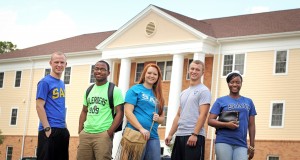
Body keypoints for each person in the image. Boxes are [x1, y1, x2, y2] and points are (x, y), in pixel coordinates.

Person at [77, 60, 124, 160]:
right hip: (86, 134)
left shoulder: (114, 90)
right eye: (97, 69)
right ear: (93, 71)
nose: (99, 71)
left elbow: (120, 113)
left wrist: (109, 133)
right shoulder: (89, 90)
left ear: (108, 73)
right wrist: (80, 131)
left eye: (103, 69)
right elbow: (84, 111)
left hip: (103, 134)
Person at [165, 60, 211, 160]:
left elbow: (203, 114)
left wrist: (194, 134)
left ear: (202, 73)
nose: (194, 71)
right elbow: (178, 115)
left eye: (198, 70)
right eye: (192, 69)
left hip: (194, 136)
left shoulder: (204, 91)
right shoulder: (183, 93)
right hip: (180, 135)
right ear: (188, 70)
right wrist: (170, 134)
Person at [207, 70, 257, 160]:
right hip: (223, 141)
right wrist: (226, 124)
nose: (235, 85)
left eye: (238, 82)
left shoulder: (248, 102)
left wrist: (252, 145)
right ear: (228, 84)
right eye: (232, 82)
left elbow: (251, 124)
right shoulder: (220, 101)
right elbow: (210, 121)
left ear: (241, 84)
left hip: (241, 143)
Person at [124, 63, 165, 160]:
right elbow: (128, 112)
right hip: (136, 134)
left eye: (155, 74)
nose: (152, 76)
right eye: (149, 73)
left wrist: (158, 118)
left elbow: (162, 119)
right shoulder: (135, 89)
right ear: (144, 74)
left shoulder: (159, 95)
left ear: (158, 77)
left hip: (153, 136)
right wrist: (141, 129)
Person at [36, 51, 70, 160]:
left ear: (66, 64)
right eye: (56, 62)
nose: (59, 65)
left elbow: (60, 106)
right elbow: (39, 106)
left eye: (62, 62)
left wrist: (65, 127)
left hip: (62, 130)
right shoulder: (44, 82)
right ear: (50, 63)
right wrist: (47, 128)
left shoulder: (61, 83)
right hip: (49, 130)